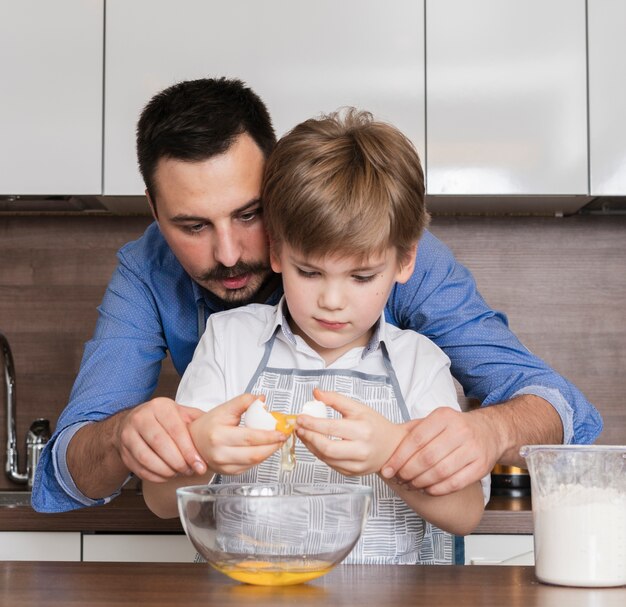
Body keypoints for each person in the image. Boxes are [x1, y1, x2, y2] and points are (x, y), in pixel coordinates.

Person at [30, 77, 601, 514]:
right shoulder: (149, 273)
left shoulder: (397, 255)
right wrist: (126, 439)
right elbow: (69, 468)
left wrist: (490, 432)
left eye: (249, 214)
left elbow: (556, 403)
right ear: (156, 214)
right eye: (193, 226)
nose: (228, 254)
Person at [142, 108, 487, 564]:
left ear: (404, 262)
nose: (332, 300)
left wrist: (391, 451)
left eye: (362, 277)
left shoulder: (419, 363)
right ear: (278, 251)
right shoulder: (229, 342)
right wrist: (202, 451)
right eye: (309, 271)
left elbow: (465, 514)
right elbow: (159, 500)